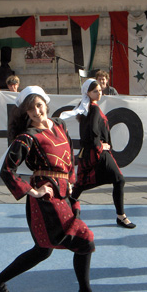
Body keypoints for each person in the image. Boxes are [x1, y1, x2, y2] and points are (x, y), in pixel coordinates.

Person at [0, 86, 95, 292]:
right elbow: (7, 170)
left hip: (66, 194)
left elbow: (69, 157)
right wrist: (34, 191)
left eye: (39, 105)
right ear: (26, 113)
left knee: (42, 250)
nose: (37, 112)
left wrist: (72, 182)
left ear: (45, 103)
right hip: (47, 201)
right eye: (31, 109)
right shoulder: (27, 137)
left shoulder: (59, 124)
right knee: (85, 239)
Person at [61, 79, 135, 229]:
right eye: (95, 91)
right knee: (118, 180)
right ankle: (121, 216)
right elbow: (93, 132)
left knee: (82, 184)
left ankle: (64, 208)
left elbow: (89, 132)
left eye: (100, 90)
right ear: (87, 93)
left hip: (91, 152)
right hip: (97, 153)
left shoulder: (87, 108)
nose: (99, 93)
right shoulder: (92, 109)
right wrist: (101, 146)